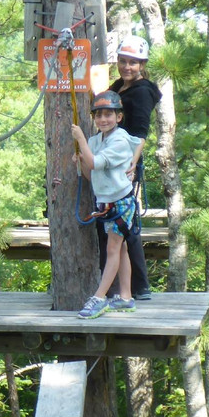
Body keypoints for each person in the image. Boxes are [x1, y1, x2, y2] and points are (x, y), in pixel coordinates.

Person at [100, 35, 161, 300]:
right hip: (112, 160)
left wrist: (133, 163)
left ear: (142, 64)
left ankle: (140, 286)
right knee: (116, 222)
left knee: (125, 224)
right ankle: (127, 285)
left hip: (125, 162)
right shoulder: (118, 87)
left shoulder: (143, 90)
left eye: (133, 63)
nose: (127, 67)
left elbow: (140, 132)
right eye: (123, 61)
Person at [72, 90, 138, 319]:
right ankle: (126, 297)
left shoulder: (120, 140)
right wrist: (82, 160)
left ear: (118, 117)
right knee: (120, 248)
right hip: (107, 202)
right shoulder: (94, 141)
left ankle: (99, 298)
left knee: (112, 249)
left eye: (108, 114)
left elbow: (96, 162)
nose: (103, 119)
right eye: (98, 115)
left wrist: (80, 141)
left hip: (120, 202)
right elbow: (92, 176)